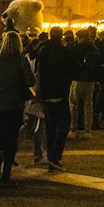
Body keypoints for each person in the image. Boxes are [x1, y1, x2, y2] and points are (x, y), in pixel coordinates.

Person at [0, 30, 35, 186]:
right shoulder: (21, 61)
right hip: (15, 105)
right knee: (11, 139)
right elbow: (31, 81)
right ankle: (6, 176)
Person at [36, 25, 75, 169]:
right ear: (61, 36)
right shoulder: (65, 52)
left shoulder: (43, 51)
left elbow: (39, 72)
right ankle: (55, 155)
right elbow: (70, 70)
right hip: (61, 93)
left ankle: (51, 155)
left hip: (47, 93)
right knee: (63, 126)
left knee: (50, 127)